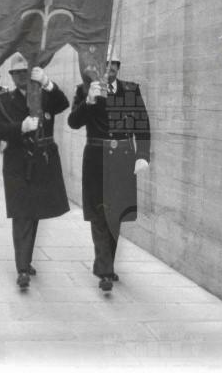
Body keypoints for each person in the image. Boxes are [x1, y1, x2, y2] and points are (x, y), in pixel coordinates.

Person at [67, 58, 151, 292]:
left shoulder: (131, 90)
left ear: (119, 67)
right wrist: (88, 101)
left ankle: (106, 264)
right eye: (106, 63)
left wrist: (143, 155)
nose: (110, 68)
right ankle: (105, 270)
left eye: (114, 63)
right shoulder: (84, 90)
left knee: (116, 214)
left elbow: (142, 124)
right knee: (99, 214)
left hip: (123, 158)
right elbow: (73, 122)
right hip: (96, 158)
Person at [0, 54, 70, 290]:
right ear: (12, 76)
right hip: (17, 162)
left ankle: (26, 259)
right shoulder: (3, 101)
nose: (20, 77)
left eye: (24, 72)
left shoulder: (44, 95)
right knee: (21, 214)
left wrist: (47, 82)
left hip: (42, 161)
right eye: (16, 73)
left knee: (34, 213)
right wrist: (20, 128)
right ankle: (22, 268)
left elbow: (63, 104)